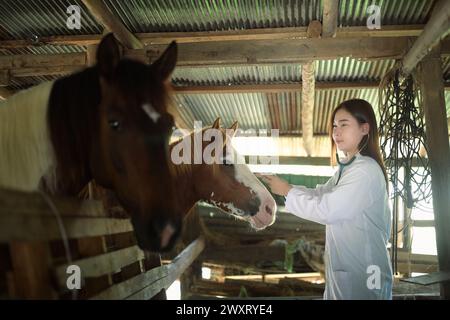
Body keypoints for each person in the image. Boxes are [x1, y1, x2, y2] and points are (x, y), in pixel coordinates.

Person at [258, 99, 393, 300]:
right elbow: (321, 194)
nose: (336, 132)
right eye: (334, 126)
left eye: (344, 124)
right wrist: (288, 188)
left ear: (365, 128)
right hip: (352, 269)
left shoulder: (365, 171)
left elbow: (328, 209)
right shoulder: (349, 169)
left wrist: (287, 191)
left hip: (365, 272)